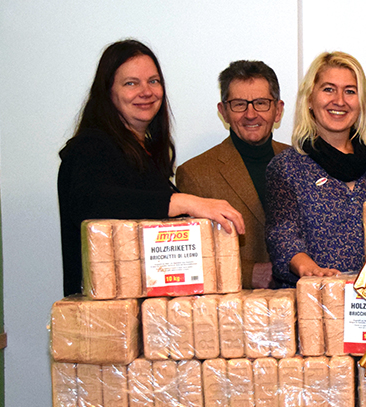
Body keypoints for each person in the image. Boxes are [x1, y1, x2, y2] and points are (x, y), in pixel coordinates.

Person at [58, 39, 244, 296]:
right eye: (131, 83)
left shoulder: (145, 151)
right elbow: (92, 201)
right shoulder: (91, 145)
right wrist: (184, 202)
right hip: (108, 311)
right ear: (107, 91)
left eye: (153, 81)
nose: (146, 91)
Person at [266, 51, 366, 287]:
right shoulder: (286, 167)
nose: (340, 101)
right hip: (313, 301)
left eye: (350, 91)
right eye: (328, 89)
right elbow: (282, 234)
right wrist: (309, 269)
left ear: (361, 103)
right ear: (310, 99)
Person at [177, 60, 288, 288]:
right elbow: (189, 259)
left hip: (306, 305)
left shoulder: (302, 162)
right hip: (237, 311)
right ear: (223, 111)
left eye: (261, 103)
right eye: (239, 104)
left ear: (278, 110)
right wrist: (248, 274)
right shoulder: (195, 174)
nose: (250, 114)